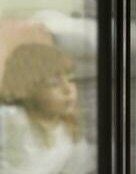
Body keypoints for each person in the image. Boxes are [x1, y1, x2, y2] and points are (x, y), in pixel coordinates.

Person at [0, 43, 95, 174]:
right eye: (54, 84)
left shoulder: (71, 132)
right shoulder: (13, 118)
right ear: (28, 90)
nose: (68, 90)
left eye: (71, 80)